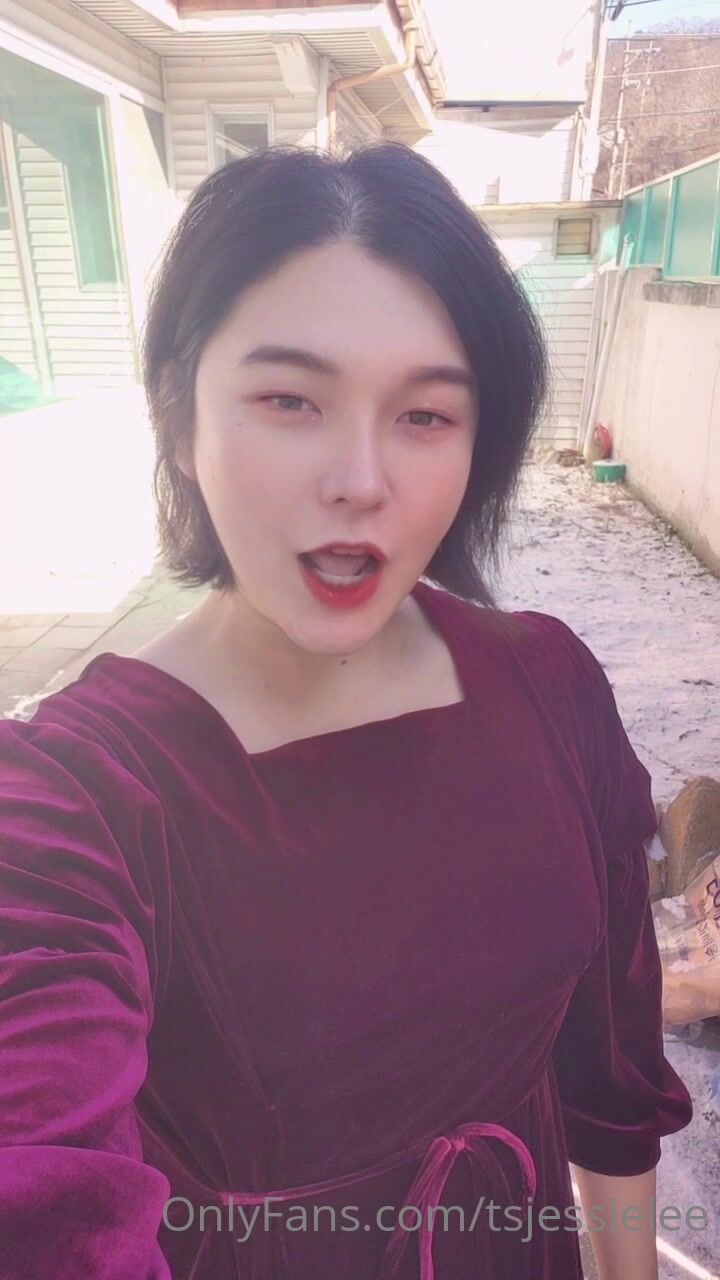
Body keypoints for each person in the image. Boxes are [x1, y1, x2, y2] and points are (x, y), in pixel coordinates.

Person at [0, 142, 692, 1280]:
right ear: (177, 415)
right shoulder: (69, 802)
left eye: (425, 415)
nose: (361, 480)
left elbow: (612, 1075)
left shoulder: (551, 684)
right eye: (290, 400)